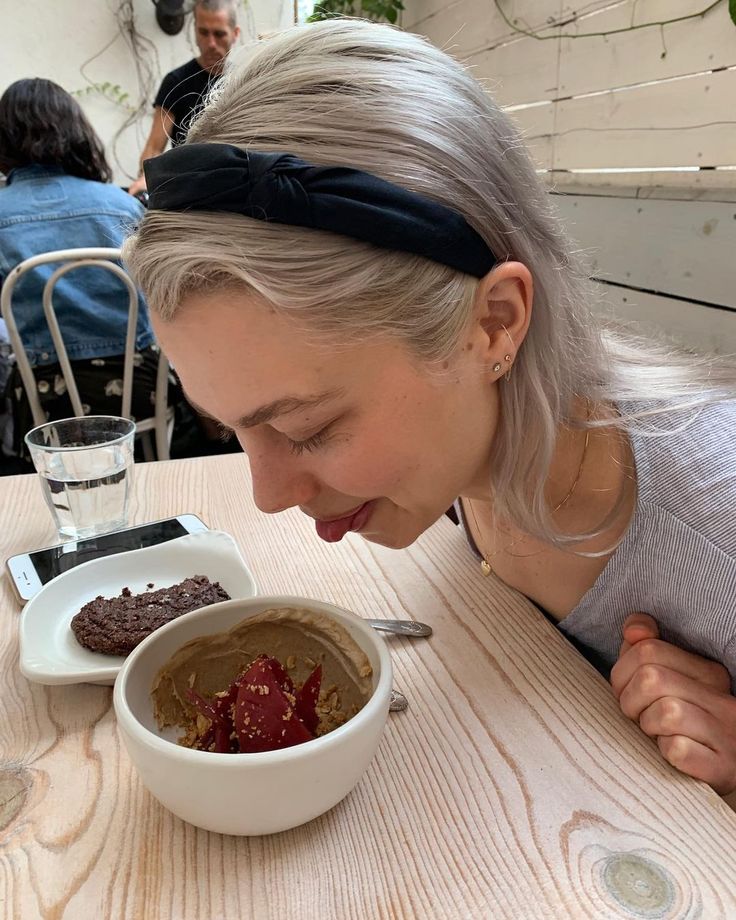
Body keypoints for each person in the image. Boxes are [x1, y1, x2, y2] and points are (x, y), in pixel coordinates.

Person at [123, 20, 736, 798]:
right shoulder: (476, 453)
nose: (268, 495)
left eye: (307, 428)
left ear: (495, 323)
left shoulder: (719, 530)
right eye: (235, 426)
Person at [0, 78, 173, 461]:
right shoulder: (121, 205)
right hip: (138, 387)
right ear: (76, 132)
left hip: (43, 396)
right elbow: (158, 294)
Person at [127, 0, 240, 198]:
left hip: (236, 188)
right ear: (194, 31)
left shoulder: (244, 81)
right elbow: (154, 146)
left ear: (235, 34)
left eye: (219, 34)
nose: (211, 43)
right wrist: (146, 178)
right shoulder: (176, 82)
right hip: (188, 190)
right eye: (203, 33)